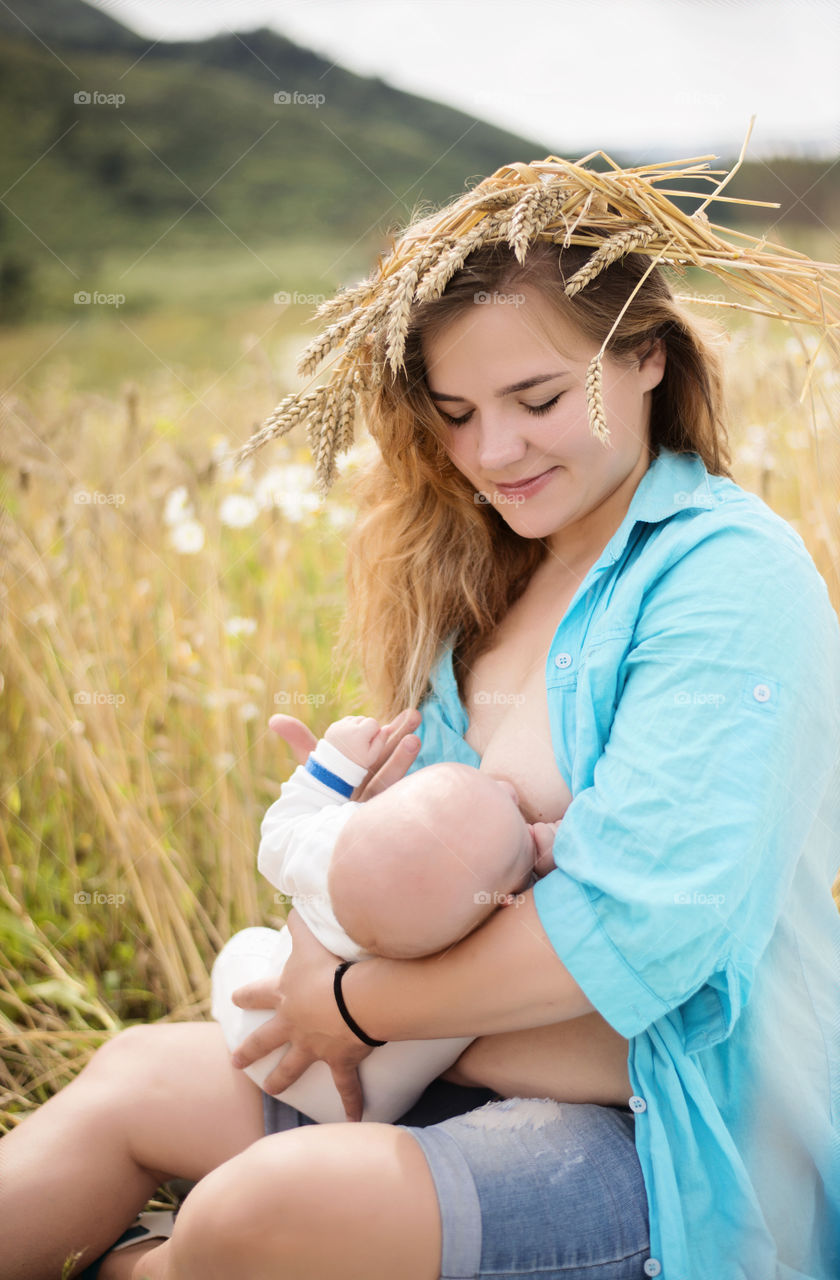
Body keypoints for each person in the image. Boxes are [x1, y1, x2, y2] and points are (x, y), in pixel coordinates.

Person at [2, 149, 839, 1280]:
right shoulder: (488, 583)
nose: (495, 452)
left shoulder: (732, 578)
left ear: (645, 356)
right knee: (132, 1080)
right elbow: (412, 888)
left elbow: (645, 931)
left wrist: (350, 1001)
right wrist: (335, 827)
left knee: (259, 1212)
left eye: (539, 398)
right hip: (447, 1061)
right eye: (456, 412)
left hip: (658, 1139)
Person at [211, 709, 567, 1123]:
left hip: (252, 1027)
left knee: (242, 949)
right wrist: (547, 847)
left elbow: (277, 832)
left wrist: (335, 762)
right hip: (368, 1103)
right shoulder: (476, 933)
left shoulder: (328, 843)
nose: (508, 788)